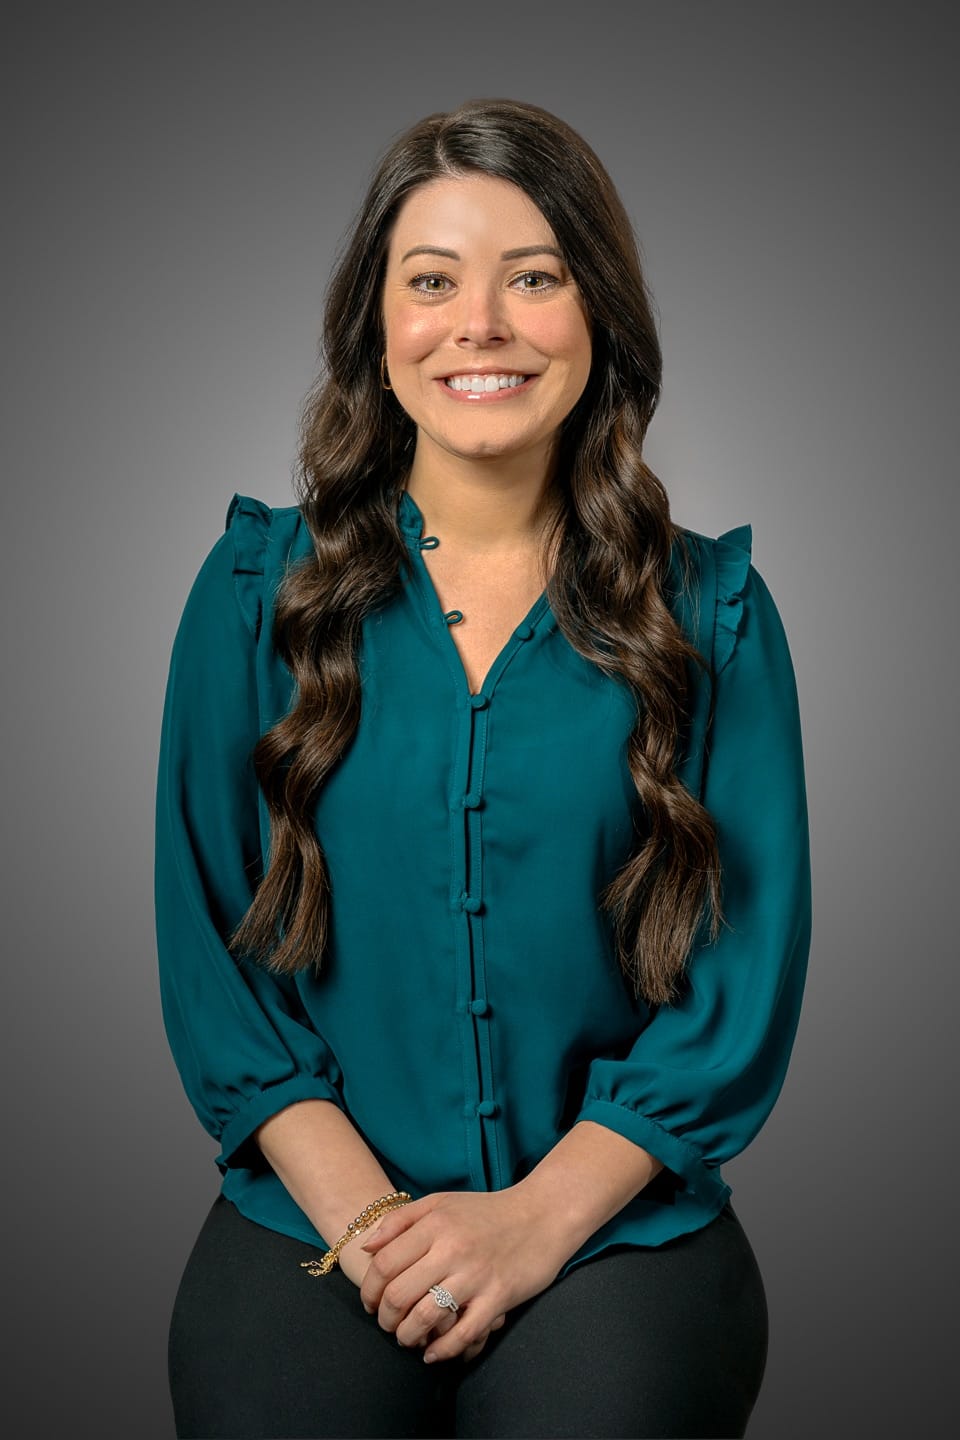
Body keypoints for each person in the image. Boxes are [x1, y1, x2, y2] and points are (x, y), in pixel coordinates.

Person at [155, 98, 812, 1440]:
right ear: (376, 328)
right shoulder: (248, 597)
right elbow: (212, 954)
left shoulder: (720, 621)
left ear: (599, 317)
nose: (483, 326)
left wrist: (525, 1229)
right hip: (319, 1208)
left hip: (613, 1226)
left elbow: (737, 993)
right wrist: (378, 1225)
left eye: (535, 278)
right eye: (433, 281)